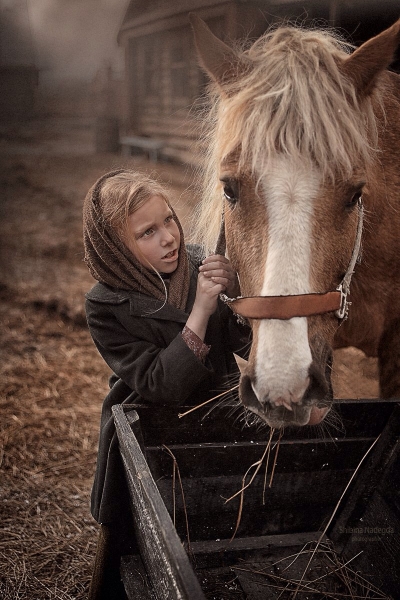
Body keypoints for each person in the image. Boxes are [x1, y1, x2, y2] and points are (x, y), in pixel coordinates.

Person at [83, 169, 249, 598]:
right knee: (142, 540)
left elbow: (244, 344)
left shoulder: (197, 266)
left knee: (219, 527)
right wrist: (201, 309)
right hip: (148, 431)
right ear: (116, 248)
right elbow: (161, 383)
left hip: (216, 419)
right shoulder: (106, 305)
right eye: (147, 232)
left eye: (169, 219)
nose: (169, 237)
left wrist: (238, 293)